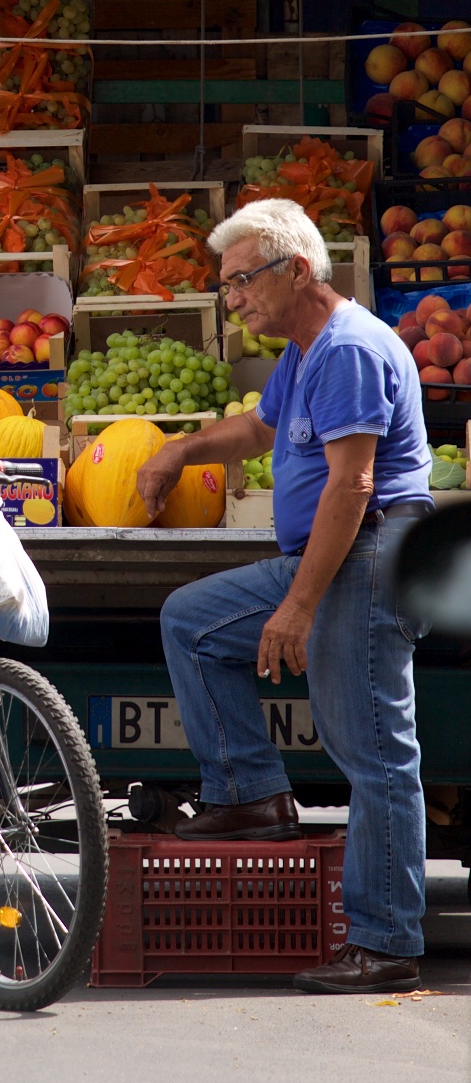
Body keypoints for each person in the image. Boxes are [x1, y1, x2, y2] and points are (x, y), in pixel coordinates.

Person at [135, 199, 431, 995]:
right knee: (192, 622)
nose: (231, 299)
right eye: (225, 284)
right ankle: (249, 796)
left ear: (297, 270)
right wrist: (180, 450)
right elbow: (260, 431)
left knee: (372, 751)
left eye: (242, 280)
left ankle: (384, 942)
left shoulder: (347, 350)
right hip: (333, 554)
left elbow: (352, 485)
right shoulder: (304, 351)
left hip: (368, 556)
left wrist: (297, 607)